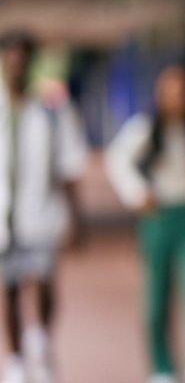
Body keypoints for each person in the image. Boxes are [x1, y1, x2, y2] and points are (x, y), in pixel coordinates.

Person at [104, 64, 185, 383]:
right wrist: (138, 193)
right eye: (171, 90)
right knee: (156, 296)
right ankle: (163, 367)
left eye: (183, 90)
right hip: (159, 218)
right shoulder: (145, 128)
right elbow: (117, 159)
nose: (178, 98)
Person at [0, 32, 88, 383]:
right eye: (10, 58)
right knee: (8, 288)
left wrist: (77, 217)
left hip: (41, 212)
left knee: (46, 283)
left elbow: (70, 164)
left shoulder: (53, 110)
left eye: (23, 59)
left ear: (32, 64)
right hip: (5, 216)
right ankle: (17, 359)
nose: (17, 66)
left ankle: (42, 339)